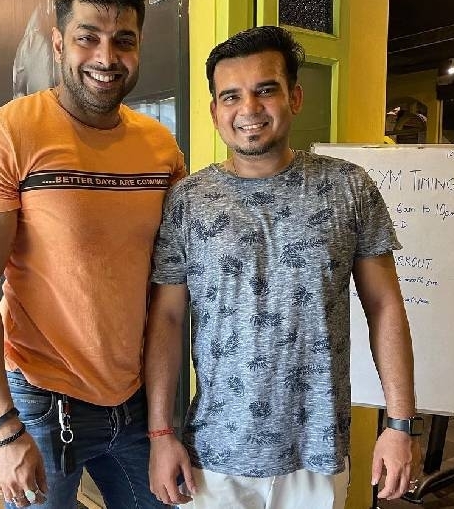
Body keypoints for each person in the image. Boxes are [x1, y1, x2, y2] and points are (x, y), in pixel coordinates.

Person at [144, 26, 420, 508]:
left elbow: (385, 305)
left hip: (317, 453)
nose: (248, 109)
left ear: (294, 97)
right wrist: (160, 434)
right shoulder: (188, 201)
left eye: (265, 90)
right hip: (213, 455)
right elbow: (166, 317)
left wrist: (400, 424)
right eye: (231, 96)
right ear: (214, 111)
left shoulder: (349, 188)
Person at [0, 0, 186, 509]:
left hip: (135, 400)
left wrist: (162, 421)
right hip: (39, 403)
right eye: (87, 38)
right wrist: (3, 427)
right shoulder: (3, 137)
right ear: (58, 43)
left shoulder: (160, 148)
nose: (106, 57)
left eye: (123, 41)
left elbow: (168, 285)